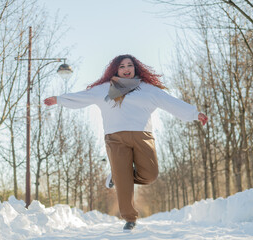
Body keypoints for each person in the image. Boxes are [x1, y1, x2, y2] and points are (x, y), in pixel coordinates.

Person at [44, 54, 208, 231]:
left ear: (135, 68)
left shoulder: (148, 89)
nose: (126, 69)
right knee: (123, 179)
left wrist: (194, 114)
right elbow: (82, 97)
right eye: (122, 66)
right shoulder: (104, 89)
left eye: (129, 65)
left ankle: (117, 175)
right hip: (115, 138)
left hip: (143, 136)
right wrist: (59, 99)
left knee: (150, 174)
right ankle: (129, 218)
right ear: (116, 69)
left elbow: (170, 102)